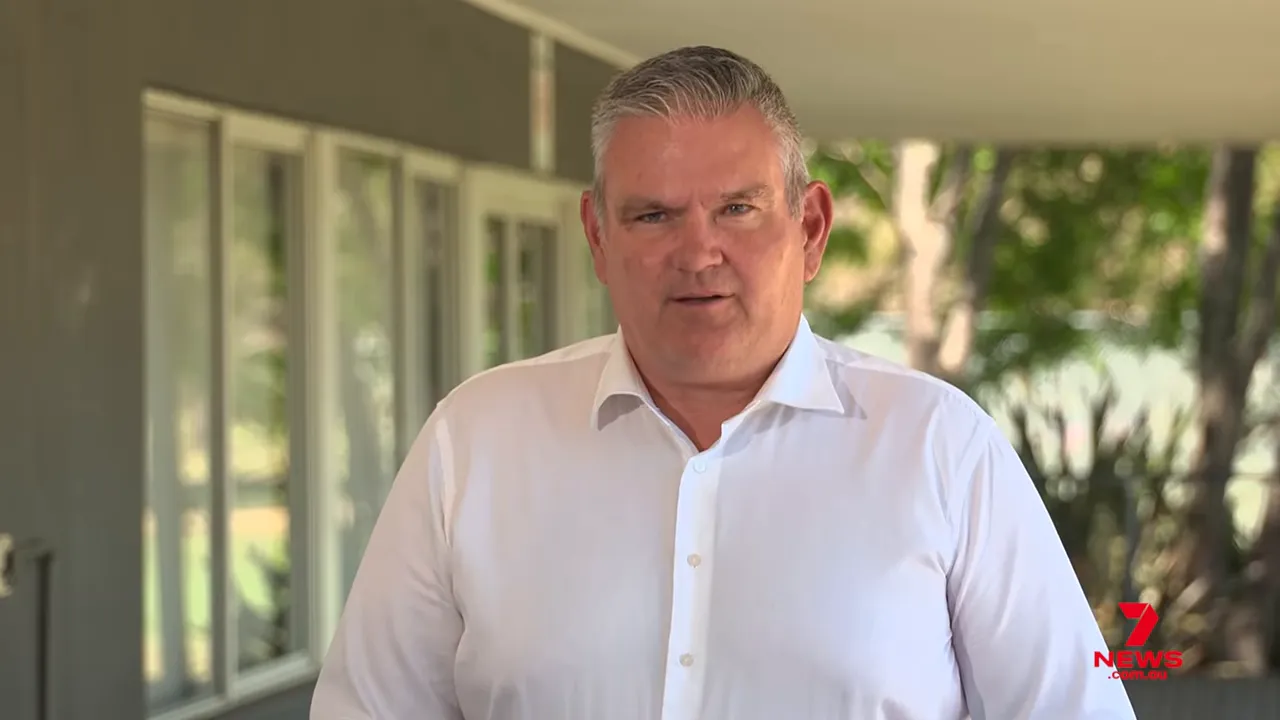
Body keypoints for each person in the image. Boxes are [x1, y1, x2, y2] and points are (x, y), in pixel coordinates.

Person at [310, 45, 1137, 720]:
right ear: (598, 236)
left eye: (737, 209)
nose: (698, 253)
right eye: (653, 215)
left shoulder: (939, 448)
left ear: (809, 227)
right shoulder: (476, 441)